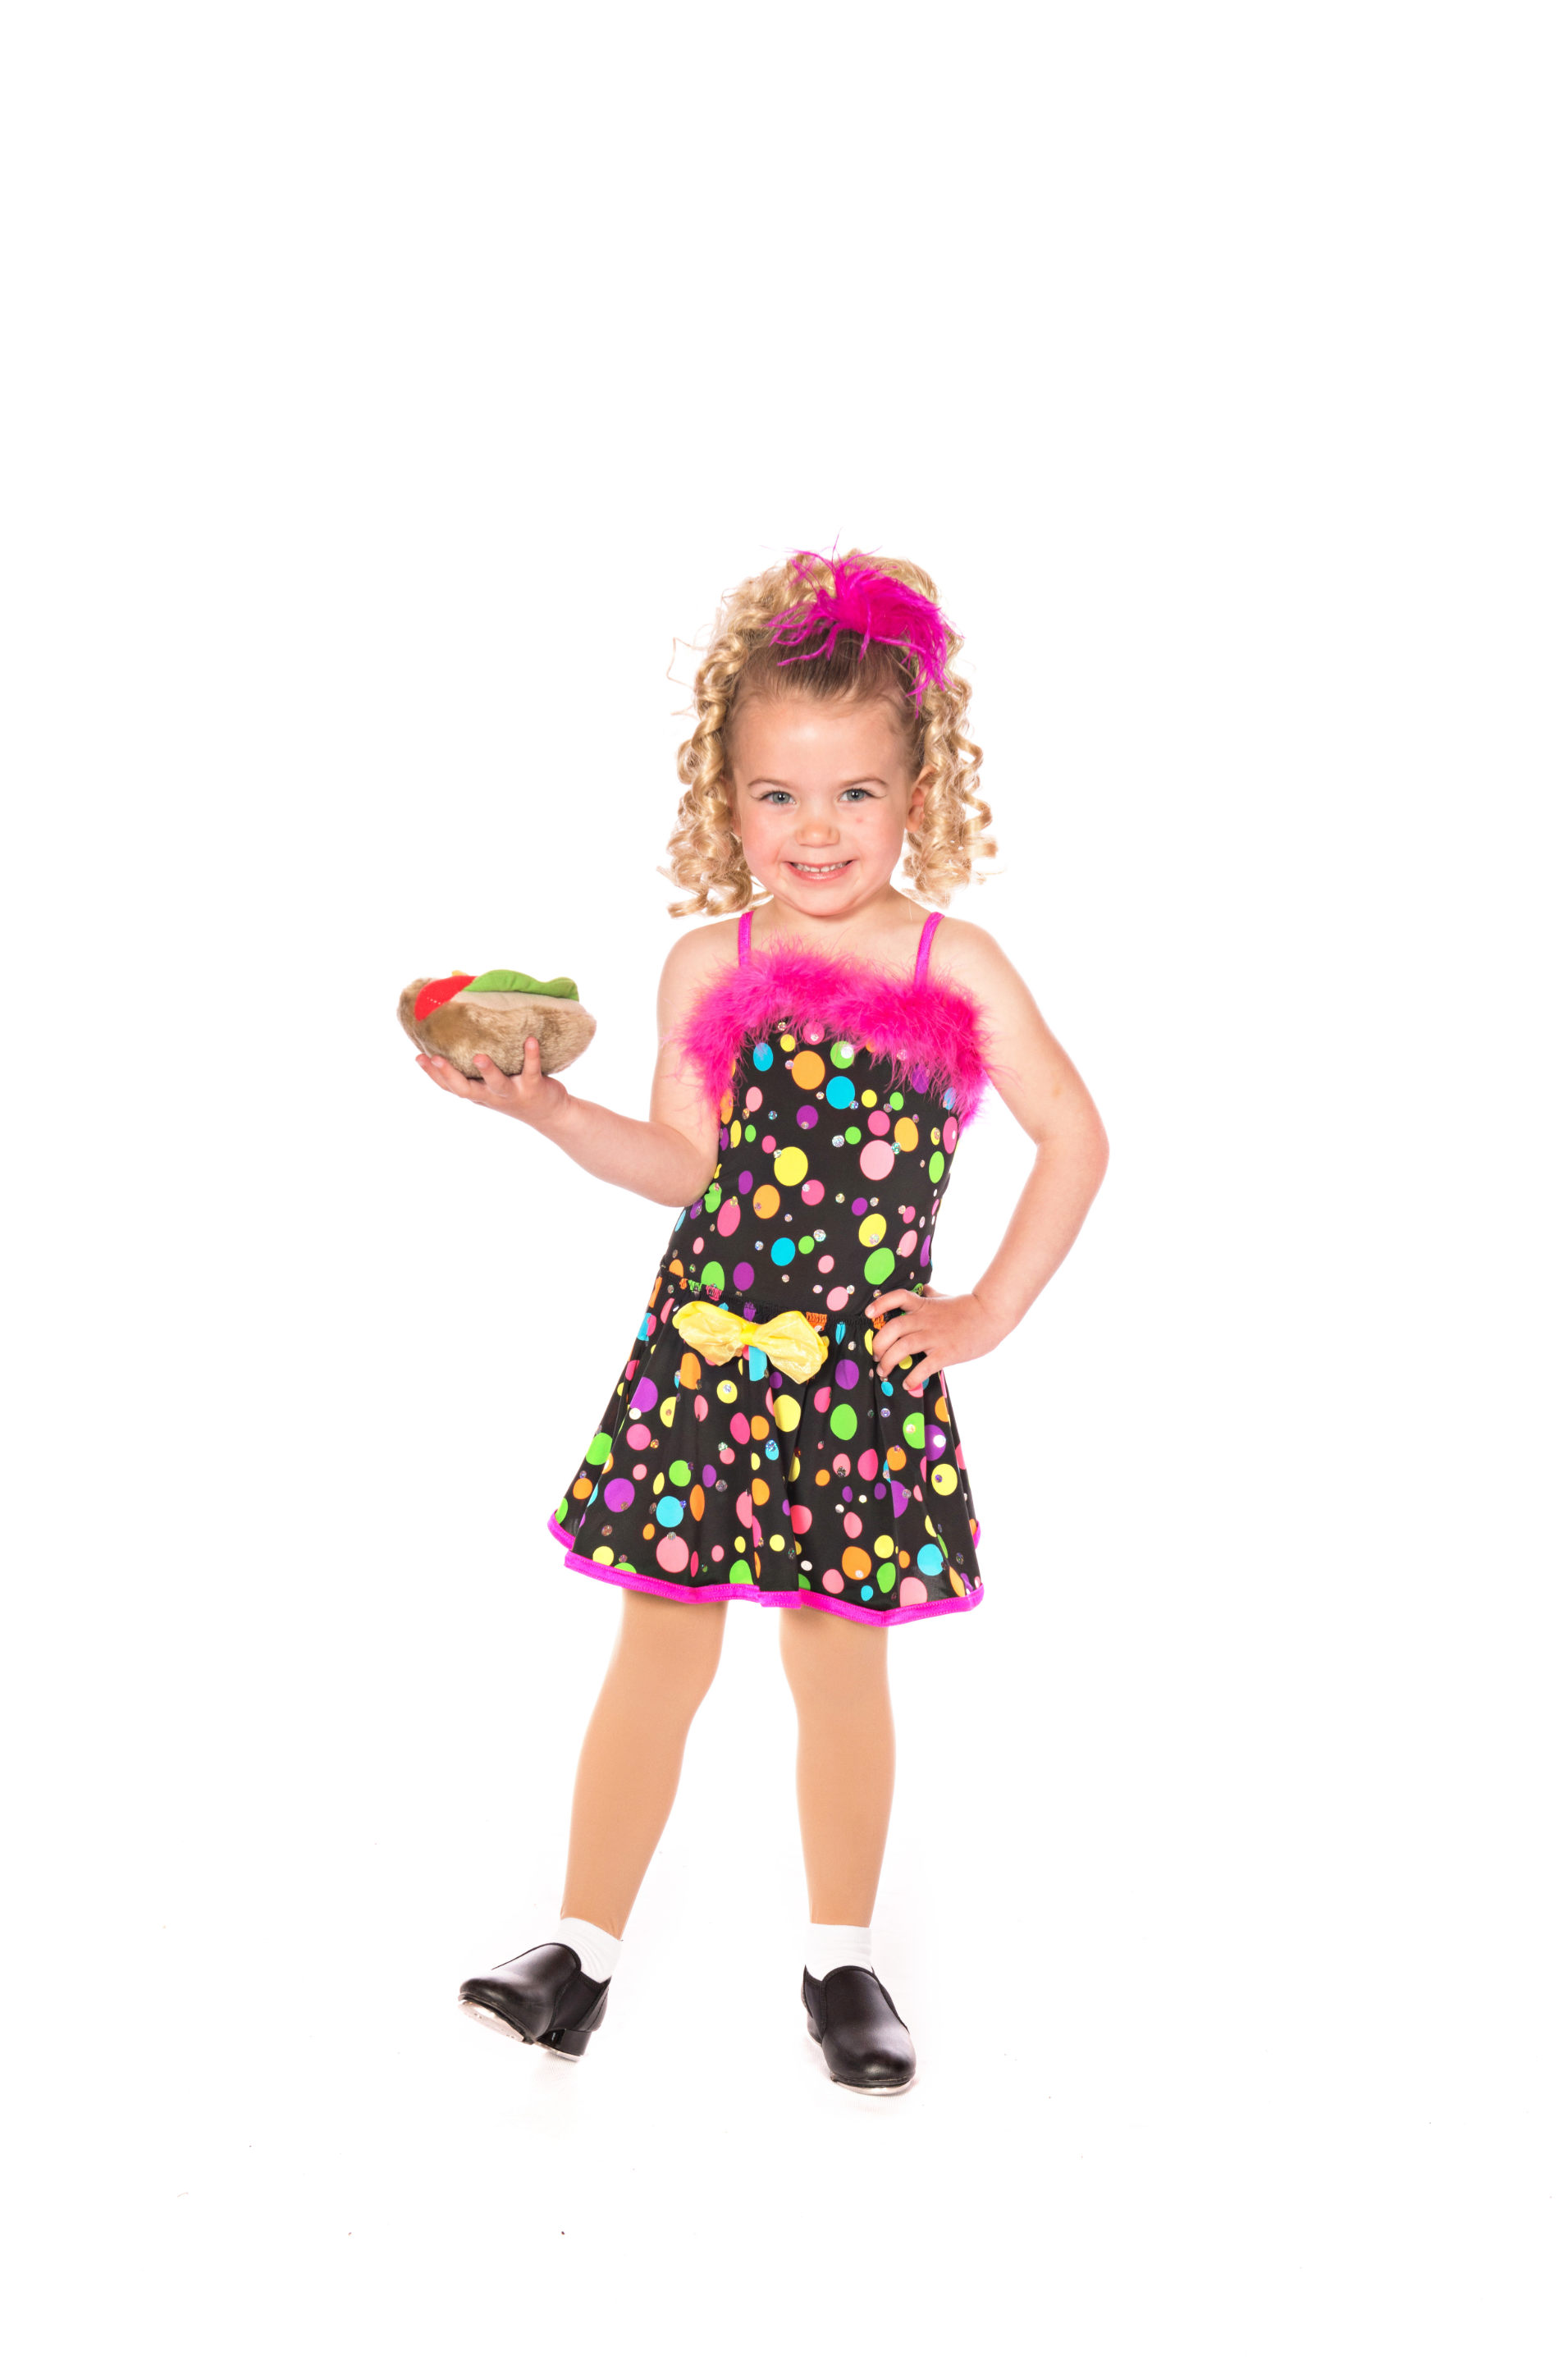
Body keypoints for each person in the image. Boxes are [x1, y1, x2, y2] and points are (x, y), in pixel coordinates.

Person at [415, 550, 1109, 2091]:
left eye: (856, 794)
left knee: (837, 1665)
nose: (817, 829)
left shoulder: (951, 962)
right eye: (778, 796)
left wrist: (987, 1309)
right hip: (705, 1365)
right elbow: (684, 1165)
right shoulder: (708, 962)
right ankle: (577, 1952)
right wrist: (550, 1112)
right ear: (725, 802)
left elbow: (1077, 1136)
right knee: (655, 1651)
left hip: (855, 1381)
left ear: (919, 793)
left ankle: (842, 1961)